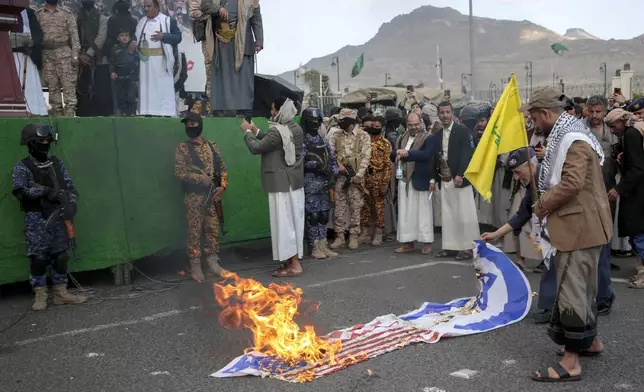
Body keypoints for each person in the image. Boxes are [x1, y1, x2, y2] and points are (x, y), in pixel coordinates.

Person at [520, 87, 611, 383]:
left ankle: (571, 363)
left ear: (547, 114)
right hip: (583, 227)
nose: (534, 126)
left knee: (573, 293)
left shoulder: (573, 139)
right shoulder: (568, 135)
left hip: (579, 228)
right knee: (583, 290)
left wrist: (542, 204)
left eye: (534, 118)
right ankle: (591, 342)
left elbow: (571, 184)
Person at [12, 124, 86, 311]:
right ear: (30, 143)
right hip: (36, 218)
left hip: (58, 216)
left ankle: (61, 293)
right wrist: (44, 192)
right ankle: (40, 294)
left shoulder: (56, 163)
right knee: (39, 258)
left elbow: (69, 187)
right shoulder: (23, 166)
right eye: (41, 141)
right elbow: (20, 191)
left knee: (61, 255)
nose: (45, 144)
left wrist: (72, 204)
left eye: (47, 140)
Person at [241, 98, 305, 277]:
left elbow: (257, 147)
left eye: (272, 109)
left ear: (279, 111)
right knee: (293, 224)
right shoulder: (295, 128)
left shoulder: (278, 132)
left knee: (284, 226)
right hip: (294, 184)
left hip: (281, 185)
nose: (271, 112)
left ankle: (293, 265)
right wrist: (255, 130)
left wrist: (247, 132)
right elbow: (273, 140)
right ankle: (292, 262)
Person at [174, 112, 228, 281]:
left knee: (212, 230)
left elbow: (223, 168)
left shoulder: (211, 146)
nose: (190, 127)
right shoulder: (182, 148)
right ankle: (195, 265)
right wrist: (200, 178)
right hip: (193, 197)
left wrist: (223, 187)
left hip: (212, 196)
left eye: (193, 124)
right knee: (194, 231)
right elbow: (179, 172)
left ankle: (213, 263)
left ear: (200, 125)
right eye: (187, 124)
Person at [430, 101, 479, 260]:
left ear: (453, 114)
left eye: (447, 112)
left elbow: (467, 153)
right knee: (448, 214)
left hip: (460, 178)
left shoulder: (462, 130)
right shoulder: (437, 134)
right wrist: (433, 178)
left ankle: (468, 248)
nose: (445, 115)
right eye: (442, 112)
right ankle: (450, 246)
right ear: (438, 114)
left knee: (464, 213)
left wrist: (460, 174)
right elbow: (434, 158)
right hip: (445, 178)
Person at [203, 0, 263, 118]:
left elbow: (256, 17)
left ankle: (243, 113)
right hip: (221, 43)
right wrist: (218, 9)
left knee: (243, 81)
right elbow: (204, 5)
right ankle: (221, 113)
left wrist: (259, 40)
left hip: (243, 40)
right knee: (222, 79)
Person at [605, 109, 644, 288]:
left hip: (637, 192)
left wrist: (618, 189)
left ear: (622, 121)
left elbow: (637, 168)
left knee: (638, 236)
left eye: (613, 126)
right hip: (635, 190)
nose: (612, 130)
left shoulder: (631, 134)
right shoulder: (630, 133)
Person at [328, 109, 372, 250]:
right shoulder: (336, 135)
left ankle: (354, 236)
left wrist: (359, 175)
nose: (341, 123)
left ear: (352, 121)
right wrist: (339, 166)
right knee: (339, 209)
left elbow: (366, 156)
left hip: (356, 178)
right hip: (341, 178)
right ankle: (340, 237)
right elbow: (331, 154)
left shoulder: (363, 136)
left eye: (343, 121)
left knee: (355, 208)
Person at [393, 112, 434, 254]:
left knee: (423, 211)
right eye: (410, 125)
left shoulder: (428, 137)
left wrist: (407, 154)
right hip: (404, 178)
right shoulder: (402, 137)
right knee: (405, 212)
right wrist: (398, 153)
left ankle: (427, 242)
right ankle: (407, 243)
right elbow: (393, 154)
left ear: (421, 123)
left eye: (416, 124)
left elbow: (427, 154)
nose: (414, 127)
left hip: (420, 178)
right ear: (406, 125)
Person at [301, 106, 339, 259]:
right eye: (311, 121)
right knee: (313, 215)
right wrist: (315, 165)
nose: (315, 124)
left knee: (324, 215)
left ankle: (323, 245)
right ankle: (314, 246)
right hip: (310, 183)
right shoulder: (303, 142)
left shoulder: (323, 141)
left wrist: (333, 171)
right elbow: (300, 163)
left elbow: (333, 159)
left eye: (317, 121)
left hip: (325, 182)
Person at [134, 0, 182, 116]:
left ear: (156, 7)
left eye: (149, 6)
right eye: (144, 6)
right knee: (147, 89)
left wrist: (164, 36)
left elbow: (178, 37)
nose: (146, 9)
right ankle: (147, 112)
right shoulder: (141, 22)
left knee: (162, 89)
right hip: (145, 63)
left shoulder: (167, 20)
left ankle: (165, 113)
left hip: (161, 63)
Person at [37, 0, 80, 117]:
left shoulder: (66, 13)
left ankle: (69, 120)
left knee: (68, 88)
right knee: (53, 89)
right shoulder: (39, 14)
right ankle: (57, 121)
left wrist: (75, 55)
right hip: (47, 56)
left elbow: (74, 36)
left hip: (65, 55)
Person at [358, 115, 391, 246]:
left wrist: (385, 183)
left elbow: (388, 165)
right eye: (372, 126)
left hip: (378, 177)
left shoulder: (385, 143)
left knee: (379, 207)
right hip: (365, 177)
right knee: (364, 206)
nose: (374, 128)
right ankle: (364, 233)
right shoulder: (364, 140)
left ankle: (379, 233)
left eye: (377, 127)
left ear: (382, 128)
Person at [76, 0, 112, 117]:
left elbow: (101, 37)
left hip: (98, 58)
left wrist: (89, 54)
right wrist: (80, 55)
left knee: (99, 87)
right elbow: (73, 35)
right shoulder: (76, 17)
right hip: (80, 58)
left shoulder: (102, 18)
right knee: (82, 87)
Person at [11, 7, 47, 116]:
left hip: (26, 56)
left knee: (29, 89)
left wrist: (30, 45)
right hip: (7, 58)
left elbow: (37, 36)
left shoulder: (28, 12)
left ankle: (33, 111)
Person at [110, 27, 139, 116]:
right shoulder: (115, 48)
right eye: (122, 35)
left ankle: (132, 113)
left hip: (131, 75)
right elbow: (112, 62)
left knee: (131, 96)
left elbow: (138, 60)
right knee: (121, 96)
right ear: (118, 38)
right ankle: (123, 113)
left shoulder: (133, 48)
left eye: (126, 35)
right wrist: (112, 72)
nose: (124, 37)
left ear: (130, 37)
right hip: (120, 76)